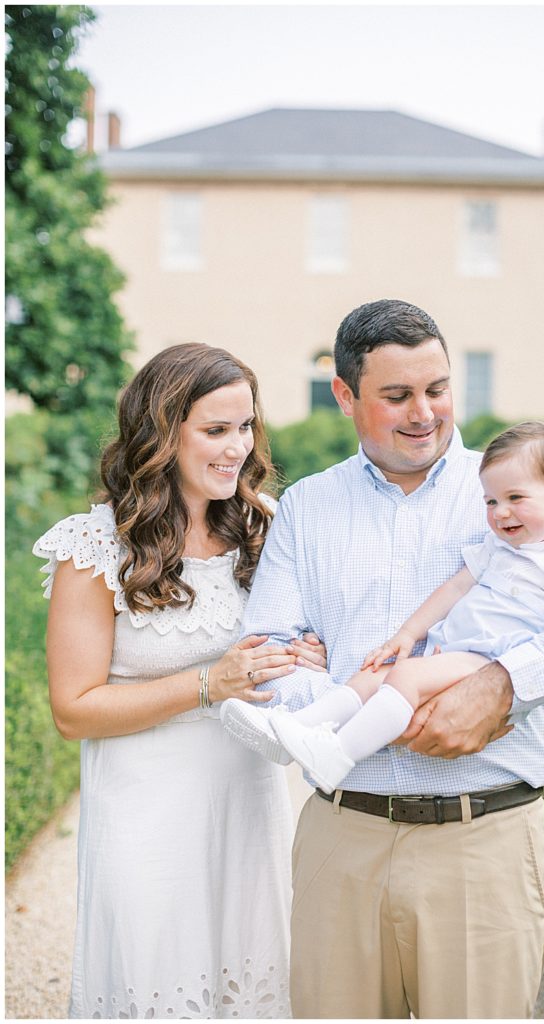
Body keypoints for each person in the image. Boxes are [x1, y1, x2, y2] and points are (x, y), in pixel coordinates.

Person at [219, 299, 544, 1020]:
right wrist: (341, 688)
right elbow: (269, 652)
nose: (423, 412)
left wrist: (504, 683)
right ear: (344, 395)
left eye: (437, 388)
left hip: (483, 840)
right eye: (396, 396)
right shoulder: (306, 507)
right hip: (343, 838)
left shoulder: (515, 486)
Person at [32, 342, 328, 1020]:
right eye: (216, 430)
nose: (238, 448)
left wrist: (308, 654)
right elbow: (73, 710)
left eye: (246, 427)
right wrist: (206, 684)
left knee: (251, 984)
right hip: (143, 812)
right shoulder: (96, 546)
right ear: (164, 436)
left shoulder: (267, 525)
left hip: (248, 801)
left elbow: (290, 650)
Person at [222, 420, 544, 795]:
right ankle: (296, 727)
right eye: (491, 501)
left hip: (489, 660)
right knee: (373, 675)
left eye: (516, 499)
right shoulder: (502, 546)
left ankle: (338, 753)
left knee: (407, 676)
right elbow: (454, 588)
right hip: (451, 651)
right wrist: (406, 635)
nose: (500, 513)